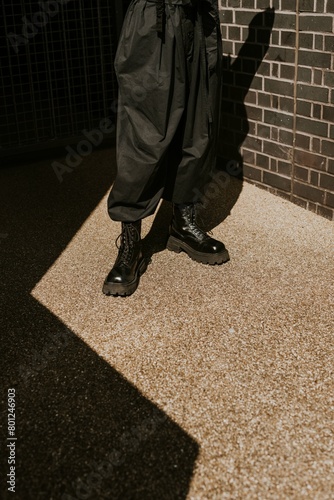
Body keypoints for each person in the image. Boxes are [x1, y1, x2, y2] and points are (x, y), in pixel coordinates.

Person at [103, 0, 229, 297]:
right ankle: (131, 242)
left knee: (197, 128)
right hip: (153, 21)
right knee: (144, 134)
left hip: (198, 20)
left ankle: (183, 225)